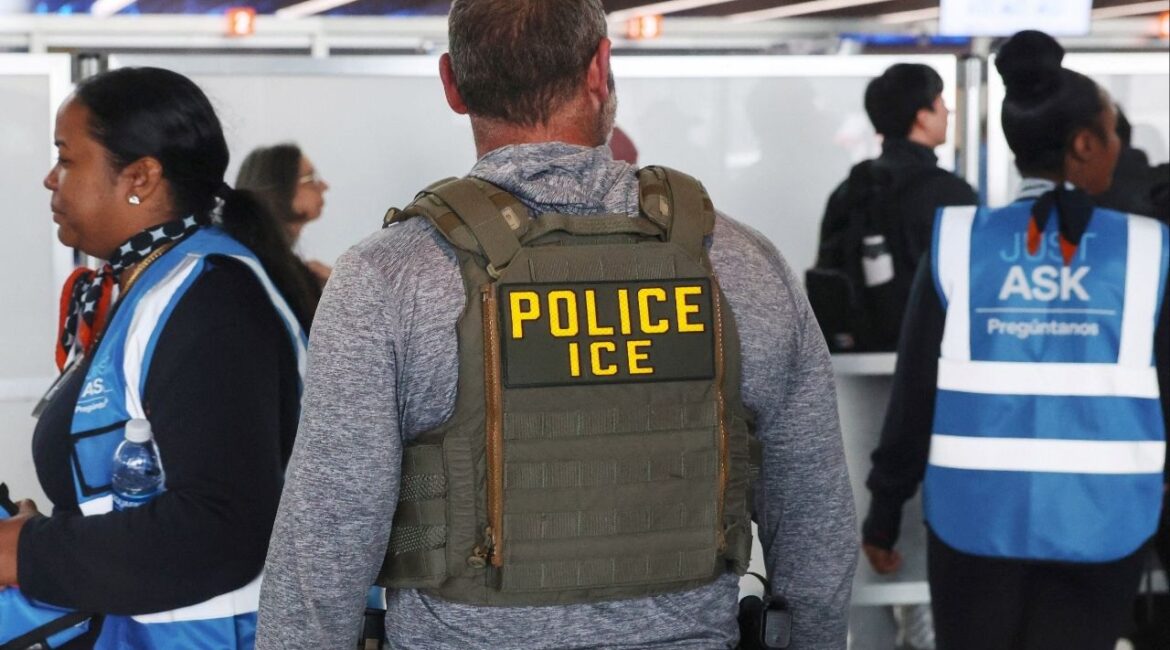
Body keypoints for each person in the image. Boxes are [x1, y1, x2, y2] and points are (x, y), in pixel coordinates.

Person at [255, 1, 856, 648]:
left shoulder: (387, 281)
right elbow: (816, 537)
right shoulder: (740, 265)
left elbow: (324, 555)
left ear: (452, 83)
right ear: (601, 68)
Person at [862, 31, 1170, 650]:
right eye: (1113, 134)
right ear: (1085, 143)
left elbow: (915, 385)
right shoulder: (1147, 248)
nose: (1118, 148)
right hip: (1104, 520)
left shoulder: (960, 241)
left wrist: (886, 509)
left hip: (974, 521)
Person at [0, 67, 312, 648]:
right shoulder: (147, 283)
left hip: (214, 634)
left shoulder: (211, 300)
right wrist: (47, 529)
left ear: (139, 175)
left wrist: (26, 551)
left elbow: (219, 530)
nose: (50, 179)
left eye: (67, 159)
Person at [810, 63, 976, 352]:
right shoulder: (951, 193)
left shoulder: (848, 189)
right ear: (922, 117)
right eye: (941, 103)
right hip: (929, 353)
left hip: (853, 358)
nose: (948, 113)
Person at [236, 143, 333, 292]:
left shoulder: (281, 266)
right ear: (280, 190)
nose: (324, 186)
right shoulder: (260, 275)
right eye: (311, 179)